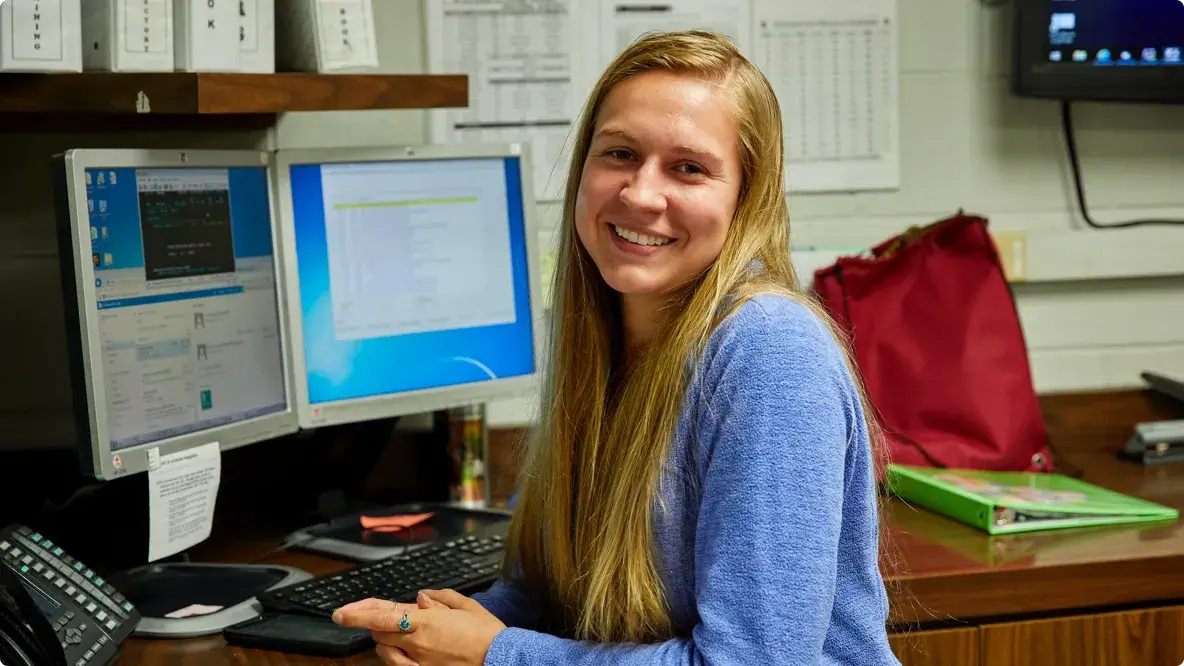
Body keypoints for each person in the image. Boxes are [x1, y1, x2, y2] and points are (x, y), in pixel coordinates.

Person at [333, 30, 900, 666]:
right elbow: (541, 592)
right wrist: (423, 633)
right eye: (620, 154)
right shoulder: (599, 335)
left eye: (689, 168)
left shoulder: (769, 352)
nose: (639, 194)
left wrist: (496, 655)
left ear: (746, 197)